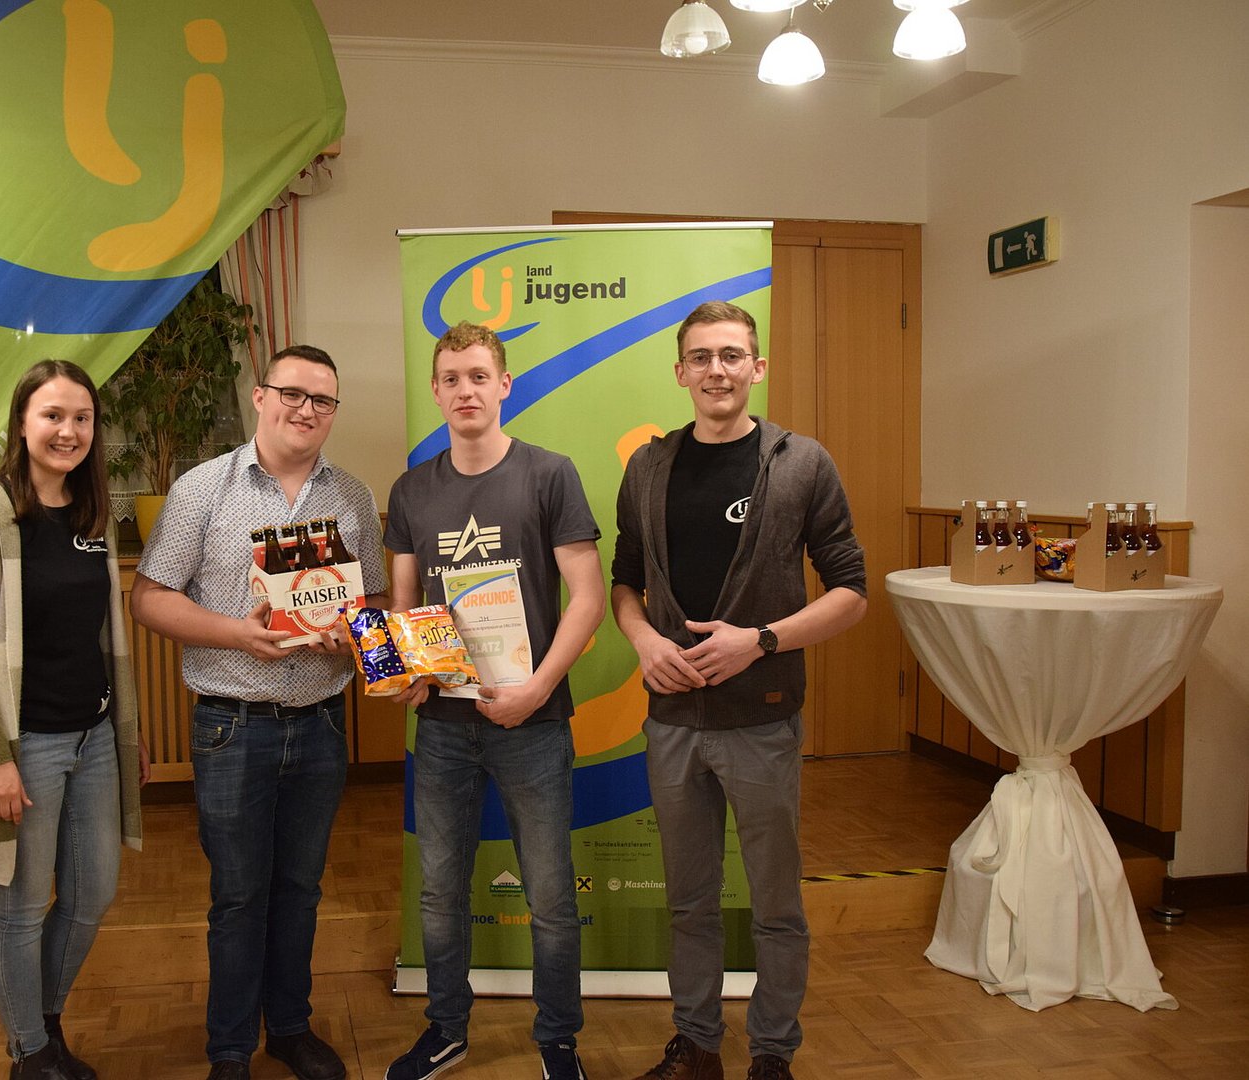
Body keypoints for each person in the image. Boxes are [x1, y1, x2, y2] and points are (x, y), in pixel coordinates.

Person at [612, 302, 867, 1080]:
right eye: (700, 357)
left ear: (756, 367)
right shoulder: (648, 467)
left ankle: (772, 1056)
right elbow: (625, 580)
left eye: (730, 355)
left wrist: (760, 641)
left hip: (761, 719)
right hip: (671, 720)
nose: (715, 370)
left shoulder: (802, 464)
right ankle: (696, 1046)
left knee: (775, 904)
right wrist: (646, 642)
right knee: (689, 901)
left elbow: (851, 593)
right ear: (680, 372)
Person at [130, 344, 390, 1080]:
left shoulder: (351, 496)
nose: (305, 409)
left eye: (322, 400)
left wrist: (357, 637)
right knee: (239, 898)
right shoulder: (202, 489)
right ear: (260, 396)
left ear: (334, 412)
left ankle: (291, 1028)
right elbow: (148, 598)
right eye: (292, 393)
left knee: (301, 891)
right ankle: (229, 1049)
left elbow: (372, 602)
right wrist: (236, 633)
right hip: (232, 725)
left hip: (322, 721)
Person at [383, 322, 605, 1080]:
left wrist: (537, 688)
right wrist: (408, 668)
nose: (465, 390)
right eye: (451, 378)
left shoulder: (550, 474)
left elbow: (588, 597)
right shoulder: (411, 490)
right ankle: (446, 1030)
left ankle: (558, 1041)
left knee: (551, 895)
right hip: (442, 724)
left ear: (504, 385)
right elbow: (405, 604)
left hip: (533, 721)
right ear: (436, 390)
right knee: (440, 892)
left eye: (479, 375)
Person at [0, 360, 149, 1080]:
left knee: (92, 895)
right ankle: (30, 1054)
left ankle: (43, 1021)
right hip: (25, 746)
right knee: (22, 906)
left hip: (95, 739)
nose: (68, 431)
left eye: (81, 418)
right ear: (22, 422)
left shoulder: (94, 515)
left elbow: (104, 636)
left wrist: (125, 733)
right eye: (53, 415)